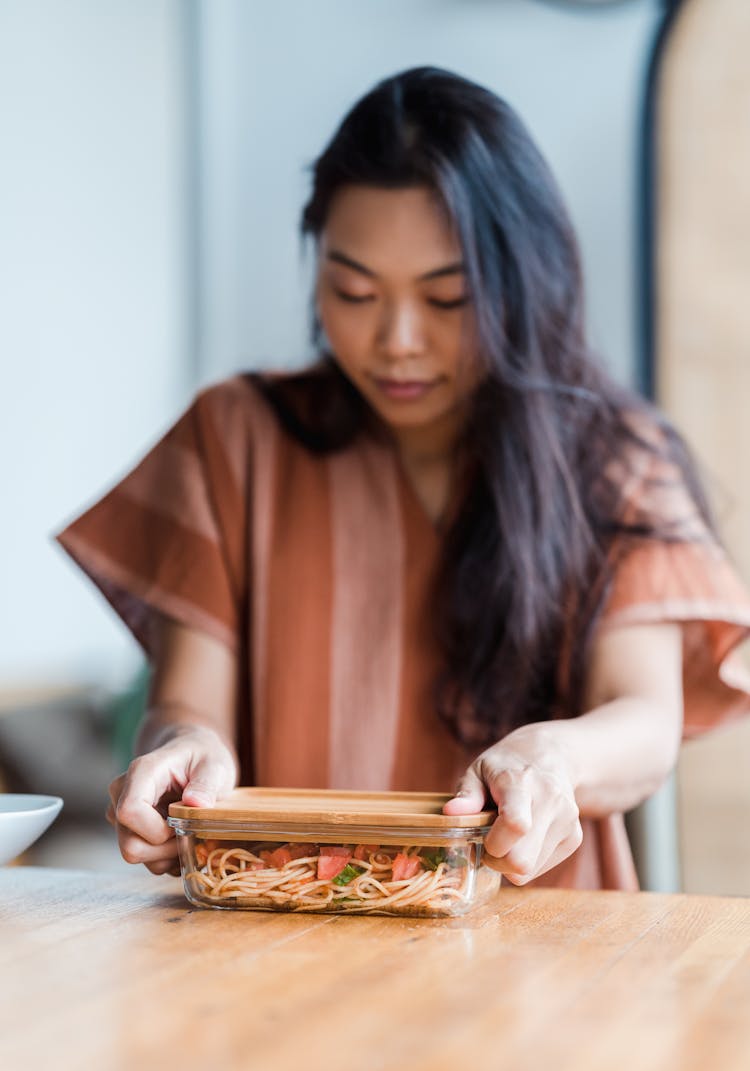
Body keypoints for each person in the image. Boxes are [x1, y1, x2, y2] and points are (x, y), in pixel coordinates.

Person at [57, 66, 750, 890]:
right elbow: (188, 700)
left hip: (546, 943)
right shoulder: (234, 434)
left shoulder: (611, 454)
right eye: (354, 291)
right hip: (283, 922)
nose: (397, 340)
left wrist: (556, 756)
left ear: (525, 286)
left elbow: (644, 720)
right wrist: (184, 748)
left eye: (448, 298)